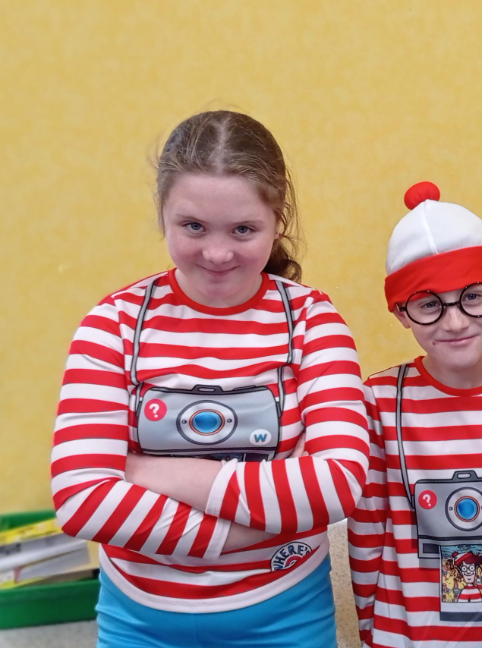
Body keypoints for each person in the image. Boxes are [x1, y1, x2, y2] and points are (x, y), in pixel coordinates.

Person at [51, 110, 369, 647]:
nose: (217, 253)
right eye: (193, 226)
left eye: (243, 229)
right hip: (140, 623)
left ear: (277, 220)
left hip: (287, 618)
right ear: (162, 213)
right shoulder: (113, 325)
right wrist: (252, 527)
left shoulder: (313, 321)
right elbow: (81, 499)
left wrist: (149, 471)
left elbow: (337, 484)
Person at [347, 182, 482, 647]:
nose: (455, 321)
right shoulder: (378, 402)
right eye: (429, 305)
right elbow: (365, 532)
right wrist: (370, 632)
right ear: (401, 313)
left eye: (473, 296)